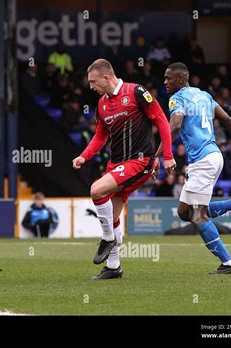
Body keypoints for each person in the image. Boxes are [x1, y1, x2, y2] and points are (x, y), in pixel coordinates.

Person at [72, 59, 175, 280]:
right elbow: (100, 136)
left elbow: (162, 122)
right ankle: (113, 266)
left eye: (93, 81)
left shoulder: (137, 92)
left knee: (96, 190)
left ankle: (108, 239)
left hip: (139, 161)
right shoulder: (102, 104)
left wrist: (167, 156)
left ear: (106, 77)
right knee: (113, 217)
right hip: (117, 164)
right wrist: (84, 155)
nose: (91, 86)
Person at [155, 62, 231, 275]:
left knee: (197, 215)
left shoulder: (178, 98)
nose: (165, 82)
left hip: (203, 160)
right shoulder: (204, 96)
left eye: (168, 78)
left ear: (181, 79)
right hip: (213, 156)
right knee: (185, 212)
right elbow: (227, 119)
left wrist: (159, 155)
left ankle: (228, 263)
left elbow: (174, 125)